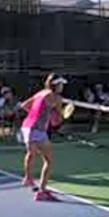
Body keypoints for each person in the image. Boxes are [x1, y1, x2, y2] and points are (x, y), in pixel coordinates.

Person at [19, 73, 68, 202]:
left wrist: (40, 114)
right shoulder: (57, 98)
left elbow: (25, 105)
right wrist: (58, 116)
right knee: (48, 161)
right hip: (38, 130)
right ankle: (42, 191)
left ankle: (27, 178)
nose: (62, 86)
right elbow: (56, 121)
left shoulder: (41, 93)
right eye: (61, 84)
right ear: (56, 85)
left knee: (31, 153)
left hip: (26, 127)